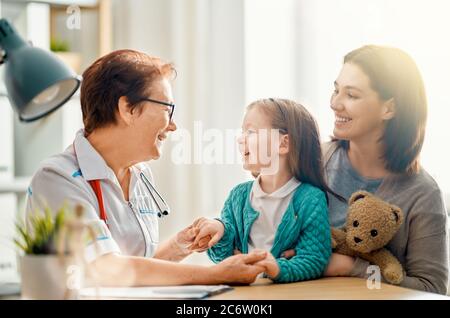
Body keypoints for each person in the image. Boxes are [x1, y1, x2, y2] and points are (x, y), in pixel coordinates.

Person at [25, 49, 267, 286]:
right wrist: (216, 275)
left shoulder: (141, 174)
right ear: (127, 109)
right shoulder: (56, 178)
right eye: (167, 109)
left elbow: (137, 271)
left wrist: (178, 246)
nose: (173, 126)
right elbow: (105, 268)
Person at [322, 45, 448, 294]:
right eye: (336, 90)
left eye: (352, 95)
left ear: (389, 108)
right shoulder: (314, 160)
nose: (335, 103)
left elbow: (432, 288)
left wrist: (350, 267)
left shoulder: (422, 193)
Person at [188, 98, 341, 283]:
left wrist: (277, 268)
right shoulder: (239, 196)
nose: (240, 139)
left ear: (283, 144)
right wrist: (218, 231)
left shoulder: (310, 199)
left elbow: (314, 259)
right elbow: (224, 257)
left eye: (250, 132)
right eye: (242, 132)